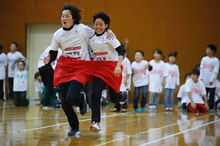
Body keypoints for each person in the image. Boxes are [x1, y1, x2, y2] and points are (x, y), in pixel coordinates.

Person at [46, 4, 114, 136]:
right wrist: (48, 60)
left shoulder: (82, 29)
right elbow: (53, 52)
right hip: (66, 67)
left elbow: (98, 33)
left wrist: (108, 31)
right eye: (62, 16)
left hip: (81, 67)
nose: (64, 18)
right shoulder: (57, 34)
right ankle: (74, 127)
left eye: (67, 16)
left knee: (71, 97)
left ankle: (80, 98)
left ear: (73, 18)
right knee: (65, 102)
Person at [89, 12, 125, 131]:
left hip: (112, 68)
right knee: (95, 94)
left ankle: (121, 95)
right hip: (99, 69)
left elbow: (121, 51)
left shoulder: (110, 36)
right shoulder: (91, 39)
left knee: (114, 98)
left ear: (106, 25)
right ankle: (96, 122)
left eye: (101, 24)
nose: (98, 27)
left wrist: (118, 66)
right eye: (96, 24)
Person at [200, 44, 219, 112]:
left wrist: (212, 79)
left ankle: (211, 108)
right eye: (206, 49)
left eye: (208, 49)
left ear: (212, 51)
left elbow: (215, 71)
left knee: (211, 95)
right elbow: (201, 69)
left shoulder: (216, 60)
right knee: (204, 94)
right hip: (204, 80)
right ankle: (202, 106)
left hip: (211, 82)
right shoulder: (204, 59)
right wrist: (201, 77)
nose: (206, 51)